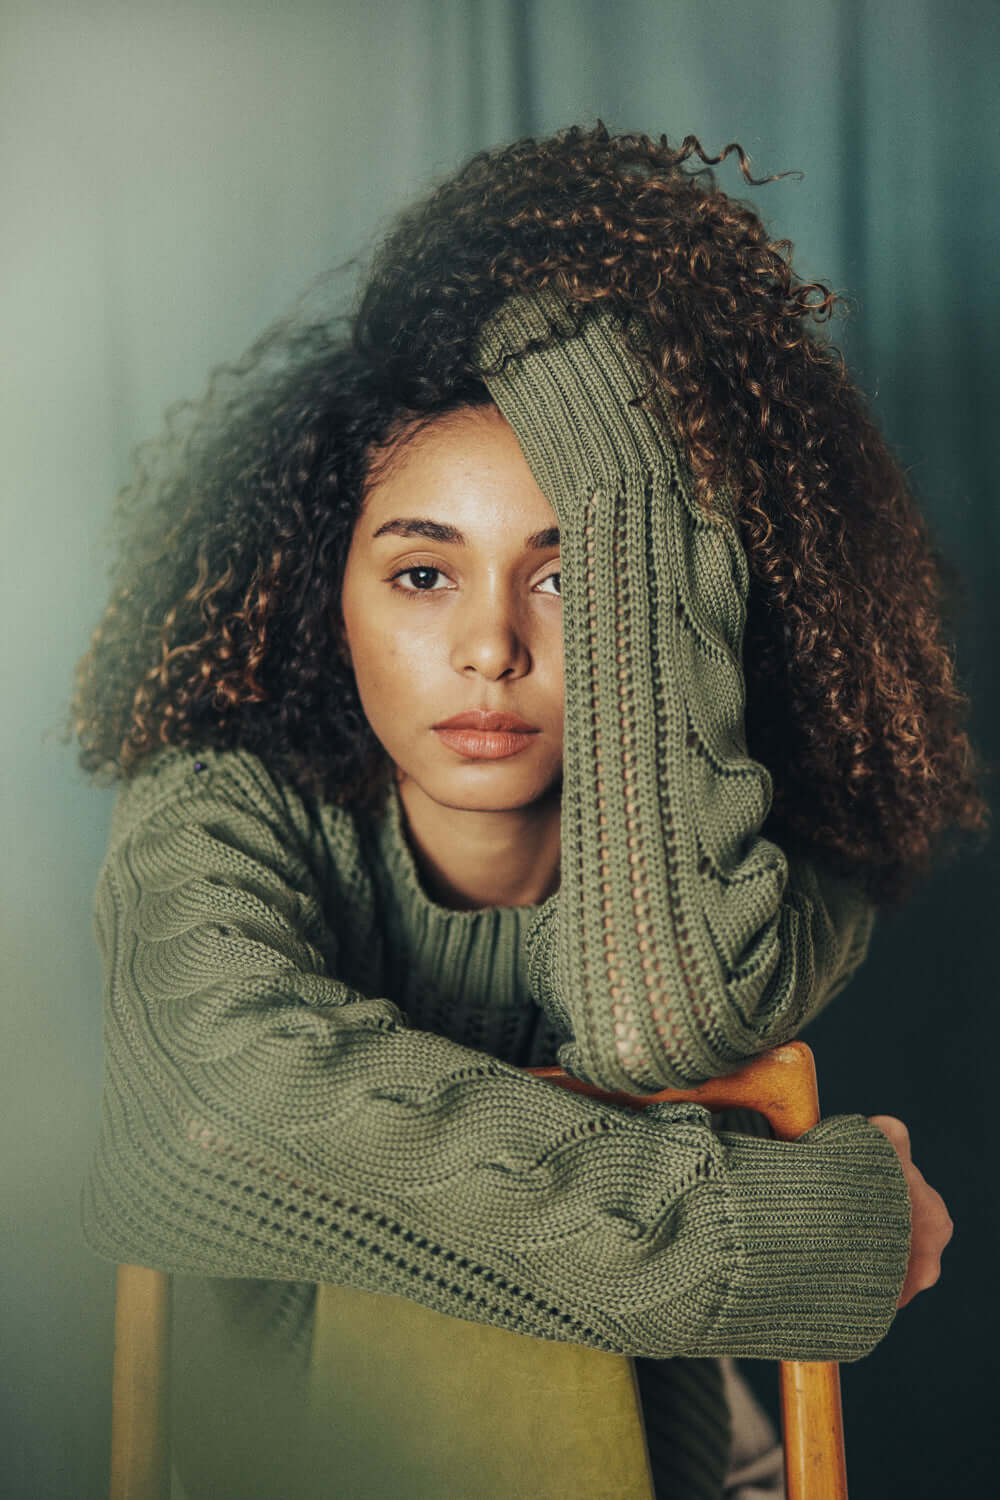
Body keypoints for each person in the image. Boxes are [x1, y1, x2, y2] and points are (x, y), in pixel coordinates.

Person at [70, 122, 973, 1499]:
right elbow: (213, 1114)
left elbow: (652, 1016)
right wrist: (799, 1236)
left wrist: (628, 472)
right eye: (424, 575)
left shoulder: (782, 856)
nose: (492, 648)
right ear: (329, 599)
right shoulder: (219, 814)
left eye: (569, 579)